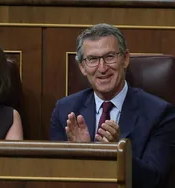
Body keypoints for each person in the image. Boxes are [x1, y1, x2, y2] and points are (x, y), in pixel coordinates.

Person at [50, 23, 175, 188]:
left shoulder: (160, 114)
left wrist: (118, 152)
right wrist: (82, 152)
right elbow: (55, 175)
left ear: (125, 59)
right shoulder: (65, 110)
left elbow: (155, 179)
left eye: (109, 57)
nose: (102, 68)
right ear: (82, 67)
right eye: (93, 59)